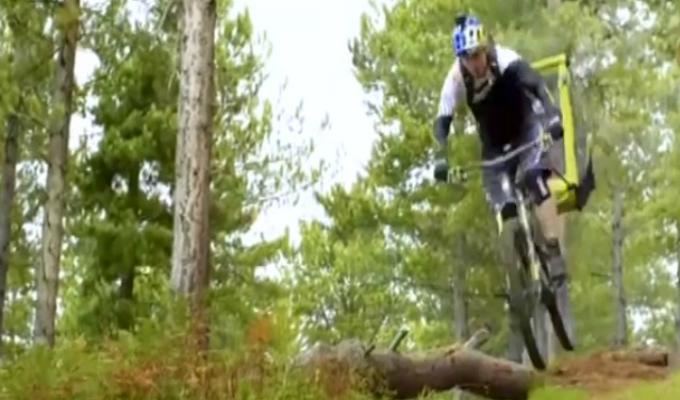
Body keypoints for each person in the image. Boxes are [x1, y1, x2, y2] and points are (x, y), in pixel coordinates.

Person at [431, 13, 572, 334]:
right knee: (502, 205)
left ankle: (552, 249)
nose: (475, 64)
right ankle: (517, 274)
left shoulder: (506, 59)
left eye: (478, 54)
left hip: (527, 130)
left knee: (536, 179)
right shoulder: (456, 79)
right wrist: (441, 156)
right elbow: (442, 120)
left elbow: (537, 84)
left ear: (486, 47)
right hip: (493, 147)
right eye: (467, 58)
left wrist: (553, 116)